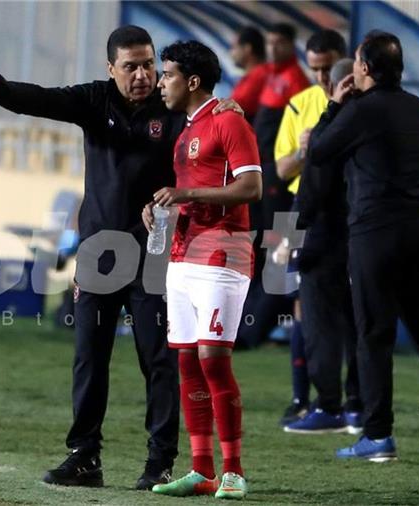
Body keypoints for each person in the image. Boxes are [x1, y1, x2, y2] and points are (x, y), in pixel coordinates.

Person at [0, 25, 243, 489]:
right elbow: (41, 100)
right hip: (99, 253)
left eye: (149, 64)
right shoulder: (94, 100)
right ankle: (85, 457)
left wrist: (226, 105)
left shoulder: (172, 109)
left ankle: (160, 462)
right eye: (131, 66)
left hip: (154, 254)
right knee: (90, 357)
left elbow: (210, 119)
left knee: (158, 360)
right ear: (111, 70)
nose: (144, 75)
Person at [307, 31, 419, 466]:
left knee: (373, 334)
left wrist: (334, 104)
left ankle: (377, 436)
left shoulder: (362, 110)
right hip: (418, 227)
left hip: (375, 230)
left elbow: (319, 152)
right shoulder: (416, 107)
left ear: (363, 68)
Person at [142, 40, 262, 499]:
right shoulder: (185, 129)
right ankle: (201, 470)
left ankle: (233, 472)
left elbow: (251, 188)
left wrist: (188, 196)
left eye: (167, 74)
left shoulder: (230, 122)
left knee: (214, 360)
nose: (160, 82)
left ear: (192, 81)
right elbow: (188, 189)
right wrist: (157, 209)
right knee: (187, 362)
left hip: (222, 255)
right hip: (182, 255)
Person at [273, 30, 362, 433]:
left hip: (346, 211)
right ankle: (299, 398)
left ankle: (351, 401)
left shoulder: (362, 104)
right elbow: (282, 169)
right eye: (316, 70)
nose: (323, 78)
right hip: (300, 208)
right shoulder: (300, 105)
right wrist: (307, 149)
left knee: (353, 309)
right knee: (300, 306)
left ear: (345, 60)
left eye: (329, 68)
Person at [237, 23, 309, 351]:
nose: (273, 48)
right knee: (258, 248)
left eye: (280, 42)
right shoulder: (270, 77)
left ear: (291, 45)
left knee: (274, 249)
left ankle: (258, 328)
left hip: (278, 179)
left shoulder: (296, 82)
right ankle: (250, 323)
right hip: (264, 174)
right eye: (271, 42)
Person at [230, 26, 268, 125]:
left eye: (234, 47)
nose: (231, 53)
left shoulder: (260, 75)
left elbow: (236, 106)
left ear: (247, 48)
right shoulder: (252, 75)